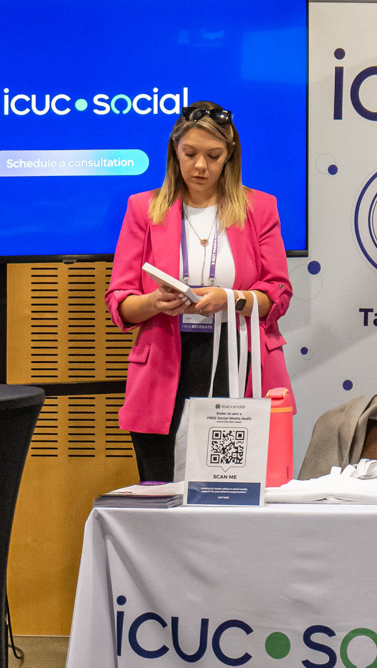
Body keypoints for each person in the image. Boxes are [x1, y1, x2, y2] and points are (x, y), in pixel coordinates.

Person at [107, 101, 293, 482]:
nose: (200, 166)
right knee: (161, 490)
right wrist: (154, 302)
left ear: (230, 156)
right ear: (174, 152)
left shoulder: (260, 208)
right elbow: (120, 303)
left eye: (213, 155)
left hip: (238, 360)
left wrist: (230, 299)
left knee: (233, 487)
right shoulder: (143, 209)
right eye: (190, 154)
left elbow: (278, 295)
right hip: (164, 366)